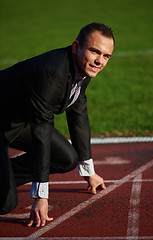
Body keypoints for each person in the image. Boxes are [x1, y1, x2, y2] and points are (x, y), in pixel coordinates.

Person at [0, 22, 115, 227]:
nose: (100, 61)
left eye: (106, 56)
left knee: (67, 158)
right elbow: (42, 133)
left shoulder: (84, 68)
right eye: (94, 51)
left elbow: (78, 113)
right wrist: (40, 196)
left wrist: (88, 171)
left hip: (17, 122)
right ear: (75, 47)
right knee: (5, 203)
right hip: (7, 123)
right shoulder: (51, 72)